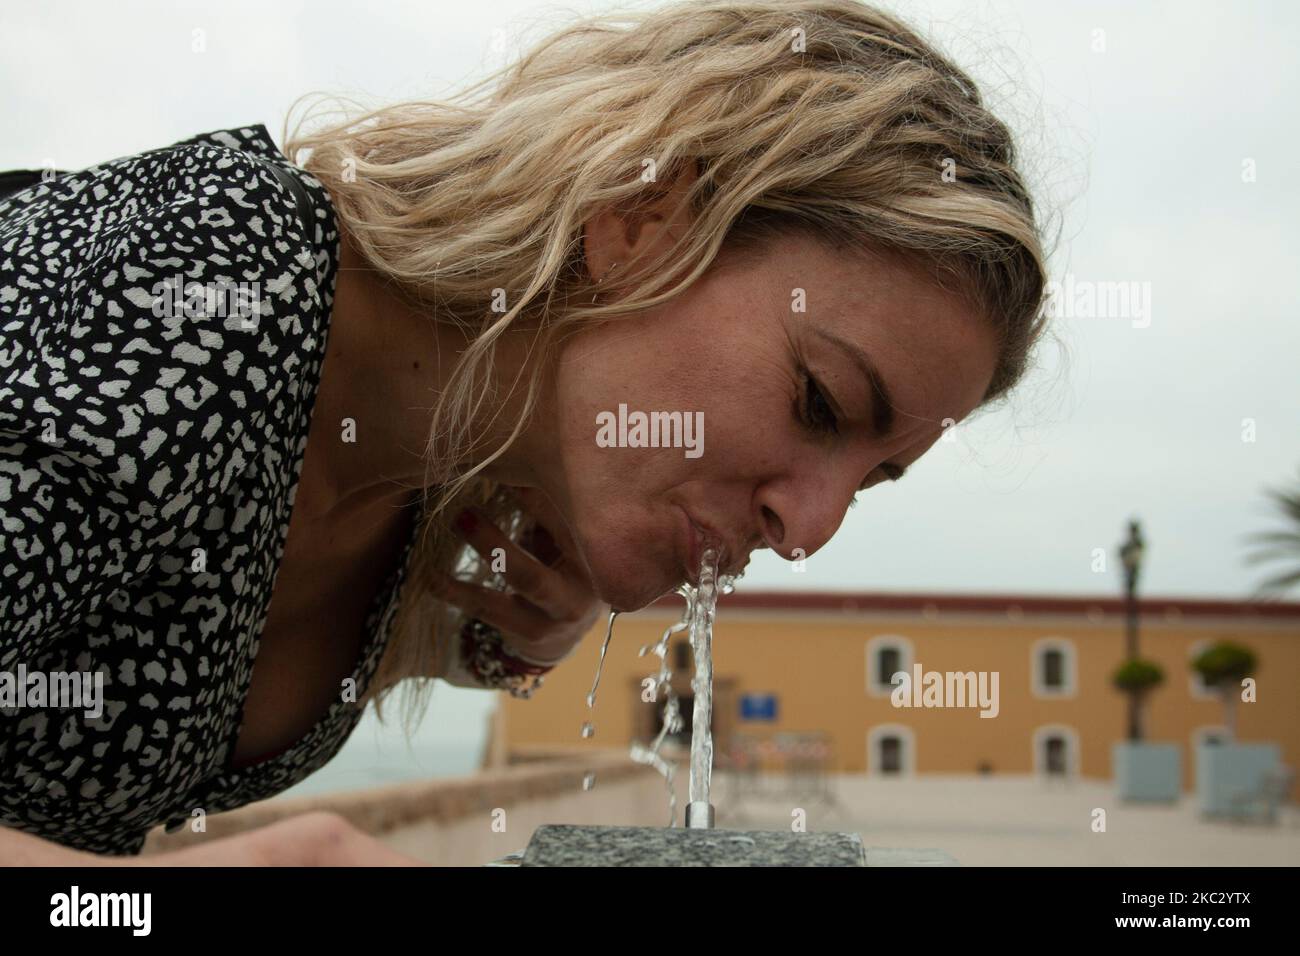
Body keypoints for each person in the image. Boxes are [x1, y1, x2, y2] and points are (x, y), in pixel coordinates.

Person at [0, 0, 1048, 864]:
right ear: (640, 216)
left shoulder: (431, 476)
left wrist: (485, 641)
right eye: (818, 401)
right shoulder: (222, 279)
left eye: (870, 481)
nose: (807, 530)